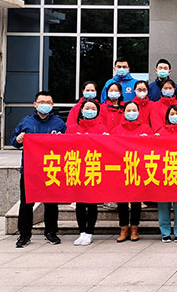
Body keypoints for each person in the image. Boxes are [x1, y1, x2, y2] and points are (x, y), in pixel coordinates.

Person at [12, 91, 66, 248]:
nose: (45, 105)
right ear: (35, 104)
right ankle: (24, 235)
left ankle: (51, 232)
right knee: (26, 203)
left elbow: (68, 144)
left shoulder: (59, 123)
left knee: (51, 203)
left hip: (51, 169)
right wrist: (18, 139)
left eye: (48, 102)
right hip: (30, 170)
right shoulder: (26, 122)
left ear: (52, 105)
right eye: (42, 102)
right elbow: (14, 141)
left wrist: (61, 139)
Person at [65, 99, 106, 247]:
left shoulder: (102, 129)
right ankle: (81, 231)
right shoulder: (72, 128)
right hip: (77, 168)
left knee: (92, 203)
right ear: (81, 110)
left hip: (93, 168)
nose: (90, 111)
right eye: (87, 108)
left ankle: (89, 232)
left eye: (93, 108)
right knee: (80, 203)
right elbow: (64, 147)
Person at [112, 101, 149, 242]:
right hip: (122, 169)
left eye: (134, 110)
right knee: (121, 200)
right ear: (124, 112)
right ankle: (123, 228)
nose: (131, 113)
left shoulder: (145, 129)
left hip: (138, 169)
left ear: (139, 112)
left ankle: (134, 228)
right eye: (129, 110)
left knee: (136, 201)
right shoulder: (116, 130)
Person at [156, 105, 177, 242]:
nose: (174, 116)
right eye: (172, 114)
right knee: (163, 205)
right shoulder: (161, 132)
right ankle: (165, 232)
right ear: (167, 117)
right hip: (163, 173)